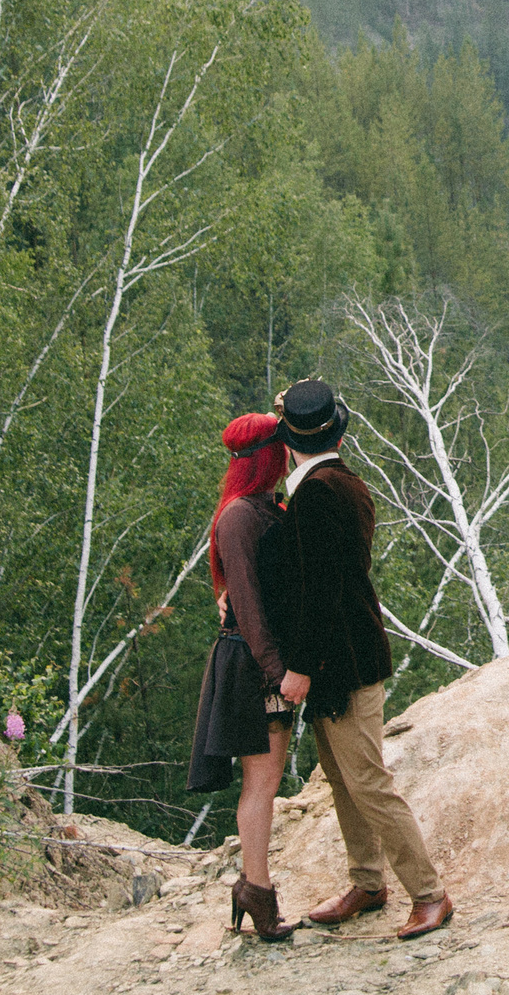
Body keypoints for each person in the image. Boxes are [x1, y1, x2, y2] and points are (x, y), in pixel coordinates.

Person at [258, 376, 454, 939]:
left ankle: (430, 893)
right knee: (345, 779)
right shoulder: (342, 484)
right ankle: (367, 882)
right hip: (344, 657)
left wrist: (298, 667)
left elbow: (322, 593)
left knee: (366, 780)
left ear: (288, 440)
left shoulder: (317, 494)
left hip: (340, 663)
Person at [185, 412, 300, 940]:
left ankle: (254, 888)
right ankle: (257, 889)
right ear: (268, 456)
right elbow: (249, 606)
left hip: (255, 658)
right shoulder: (239, 516)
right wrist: (278, 672)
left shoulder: (255, 508)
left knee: (265, 780)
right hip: (253, 664)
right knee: (262, 782)